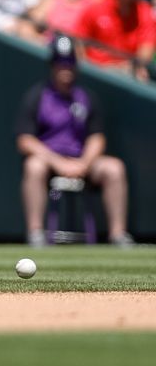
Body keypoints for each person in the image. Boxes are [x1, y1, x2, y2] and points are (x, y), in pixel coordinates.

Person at [15, 36, 134, 247]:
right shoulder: (38, 96)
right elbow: (25, 140)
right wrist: (58, 162)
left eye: (69, 63)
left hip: (82, 160)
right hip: (50, 161)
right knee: (33, 165)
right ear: (52, 65)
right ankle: (35, 233)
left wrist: (83, 164)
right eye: (61, 63)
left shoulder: (86, 97)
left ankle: (118, 234)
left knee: (114, 168)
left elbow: (97, 137)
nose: (65, 69)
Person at [73, 0, 155, 81]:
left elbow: (144, 56)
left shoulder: (145, 13)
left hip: (126, 77)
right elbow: (78, 45)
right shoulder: (98, 7)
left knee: (141, 75)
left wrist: (120, 69)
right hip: (94, 74)